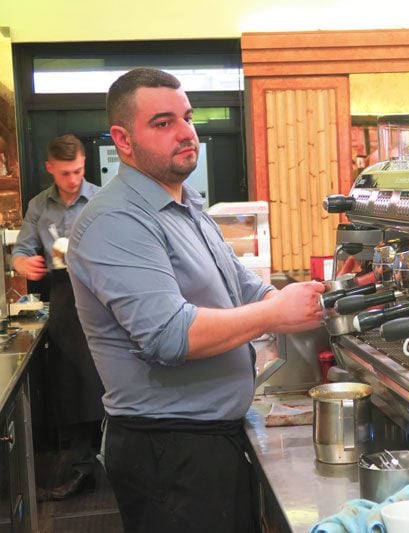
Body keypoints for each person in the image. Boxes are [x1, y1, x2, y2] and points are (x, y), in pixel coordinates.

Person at [66, 67, 325, 533]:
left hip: (212, 439)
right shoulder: (116, 220)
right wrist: (273, 312)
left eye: (188, 117)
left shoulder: (187, 204)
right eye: (163, 123)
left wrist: (307, 298)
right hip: (169, 452)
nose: (186, 133)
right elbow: (169, 335)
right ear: (123, 141)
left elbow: (241, 288)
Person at [11, 134, 104, 500]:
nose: (73, 179)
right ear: (51, 168)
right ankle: (83, 470)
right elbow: (21, 249)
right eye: (66, 173)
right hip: (64, 298)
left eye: (78, 171)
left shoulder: (100, 200)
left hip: (102, 295)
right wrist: (23, 263)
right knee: (73, 385)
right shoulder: (38, 206)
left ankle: (126, 462)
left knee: (113, 379)